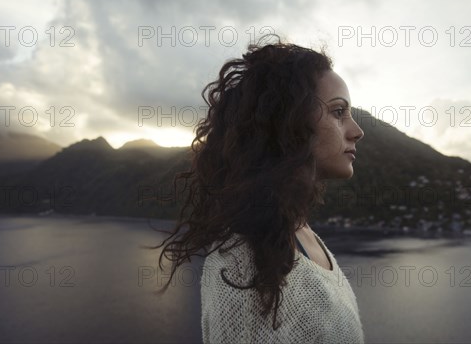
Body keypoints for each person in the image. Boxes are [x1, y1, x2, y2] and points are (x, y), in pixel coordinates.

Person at [150, 35, 365, 343]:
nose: (357, 131)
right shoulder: (242, 267)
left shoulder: (299, 231)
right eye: (338, 111)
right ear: (288, 122)